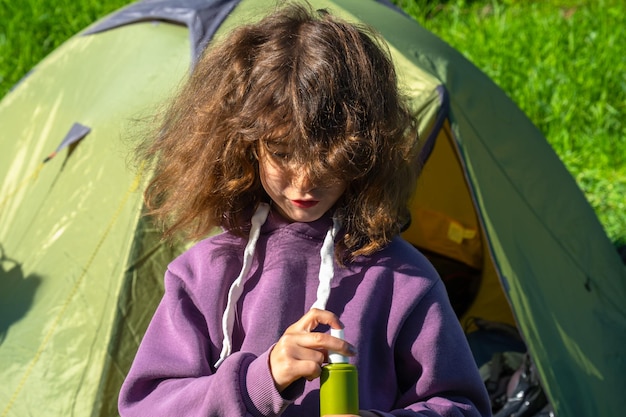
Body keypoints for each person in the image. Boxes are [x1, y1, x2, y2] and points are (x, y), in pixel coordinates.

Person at [118, 2, 491, 417]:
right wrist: (259, 381)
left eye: (328, 158)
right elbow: (146, 408)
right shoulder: (203, 274)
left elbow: (463, 407)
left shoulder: (403, 279)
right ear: (244, 145)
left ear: (366, 152)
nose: (302, 183)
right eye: (281, 152)